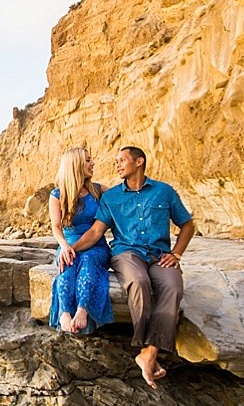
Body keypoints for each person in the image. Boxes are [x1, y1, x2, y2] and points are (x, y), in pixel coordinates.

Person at [70, 146, 195, 390]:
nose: (117, 164)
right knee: (139, 281)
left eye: (122, 160)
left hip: (159, 255)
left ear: (139, 162)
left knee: (173, 287)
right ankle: (145, 347)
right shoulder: (111, 197)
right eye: (116, 161)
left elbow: (187, 225)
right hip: (126, 253)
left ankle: (149, 353)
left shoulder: (164, 192)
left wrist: (176, 253)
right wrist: (71, 250)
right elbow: (96, 232)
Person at [48, 147, 113, 334]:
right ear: (76, 164)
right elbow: (56, 227)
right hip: (68, 243)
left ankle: (83, 310)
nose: (93, 163)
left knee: (87, 260)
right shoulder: (57, 195)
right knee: (67, 263)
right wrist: (64, 246)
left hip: (96, 246)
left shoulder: (98, 190)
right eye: (88, 160)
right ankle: (64, 313)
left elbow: (122, 198)